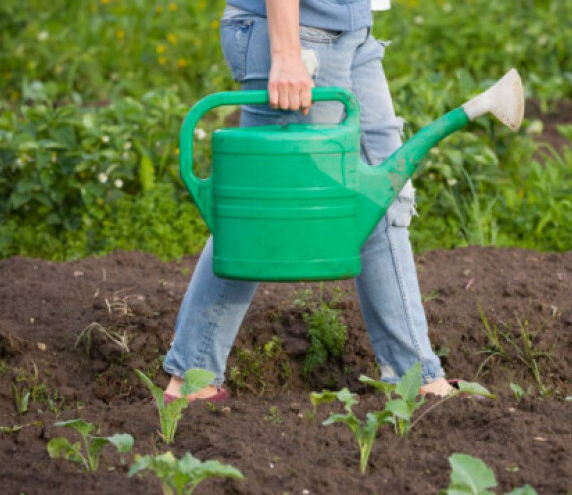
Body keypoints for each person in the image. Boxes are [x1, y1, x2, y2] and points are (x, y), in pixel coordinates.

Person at [162, 0, 455, 400]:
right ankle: (192, 377)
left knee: (384, 196)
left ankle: (416, 377)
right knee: (260, 211)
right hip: (300, 35)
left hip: (349, 29)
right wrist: (284, 54)